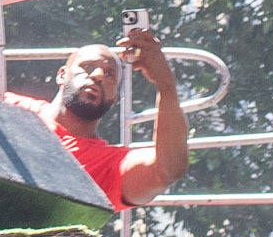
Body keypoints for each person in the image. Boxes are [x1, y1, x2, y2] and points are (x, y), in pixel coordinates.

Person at [24, 25, 192, 210]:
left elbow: (167, 170)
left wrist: (166, 85)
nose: (98, 76)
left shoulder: (109, 165)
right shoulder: (11, 106)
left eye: (110, 74)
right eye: (88, 67)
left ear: (114, 98)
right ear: (62, 75)